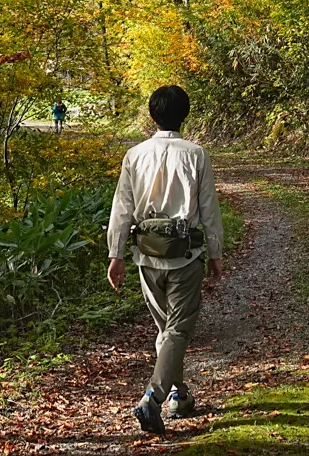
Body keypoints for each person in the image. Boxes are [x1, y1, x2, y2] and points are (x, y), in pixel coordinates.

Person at [106, 84, 225, 435]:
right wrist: (216, 252)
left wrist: (116, 254)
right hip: (185, 256)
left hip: (146, 256)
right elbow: (208, 208)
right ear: (184, 116)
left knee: (165, 331)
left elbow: (122, 208)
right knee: (176, 330)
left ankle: (179, 394)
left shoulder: (135, 155)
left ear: (152, 115)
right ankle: (153, 397)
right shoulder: (196, 154)